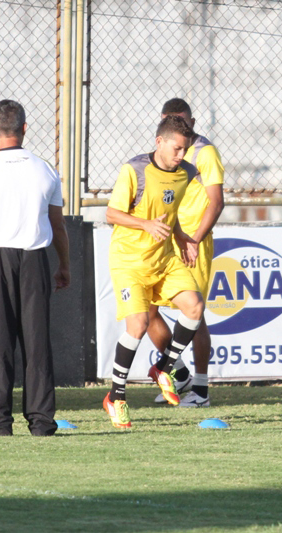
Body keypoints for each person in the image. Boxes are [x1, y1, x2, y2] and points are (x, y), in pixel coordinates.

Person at [0, 99, 70, 436]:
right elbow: (58, 225)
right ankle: (42, 422)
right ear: (24, 128)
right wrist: (64, 265)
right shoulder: (45, 169)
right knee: (37, 343)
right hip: (35, 257)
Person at [104, 115, 204, 428]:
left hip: (164, 258)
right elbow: (111, 214)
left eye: (185, 149)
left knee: (194, 306)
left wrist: (181, 236)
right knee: (138, 324)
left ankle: (164, 367)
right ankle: (116, 397)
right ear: (159, 142)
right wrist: (145, 224)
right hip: (129, 261)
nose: (181, 155)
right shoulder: (134, 170)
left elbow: (168, 212)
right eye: (176, 149)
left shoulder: (186, 172)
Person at [145, 98, 224, 408]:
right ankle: (179, 374)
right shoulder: (165, 153)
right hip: (165, 241)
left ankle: (201, 391)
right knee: (147, 309)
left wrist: (195, 239)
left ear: (192, 122)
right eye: (170, 121)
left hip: (192, 244)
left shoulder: (205, 152)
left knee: (194, 314)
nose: (178, 126)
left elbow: (216, 201)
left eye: (182, 120)